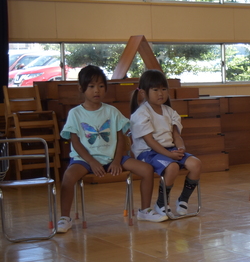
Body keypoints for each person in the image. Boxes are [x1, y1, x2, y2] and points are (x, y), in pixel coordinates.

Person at [57, 65, 167, 233]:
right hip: (85, 160)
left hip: (112, 158)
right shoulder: (75, 113)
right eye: (92, 86)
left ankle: (145, 210)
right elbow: (76, 142)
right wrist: (92, 162)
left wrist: (116, 161)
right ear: (81, 88)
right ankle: (65, 217)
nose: (97, 91)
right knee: (68, 176)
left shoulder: (112, 111)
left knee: (146, 169)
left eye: (101, 86)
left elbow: (122, 138)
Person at [130, 69, 202, 217]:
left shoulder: (170, 111)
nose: (160, 93)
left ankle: (183, 200)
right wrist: (169, 154)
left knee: (196, 164)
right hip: (148, 153)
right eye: (155, 89)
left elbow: (176, 135)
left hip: (169, 150)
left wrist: (180, 148)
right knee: (173, 166)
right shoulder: (141, 114)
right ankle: (161, 203)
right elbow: (149, 141)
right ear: (143, 92)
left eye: (164, 89)